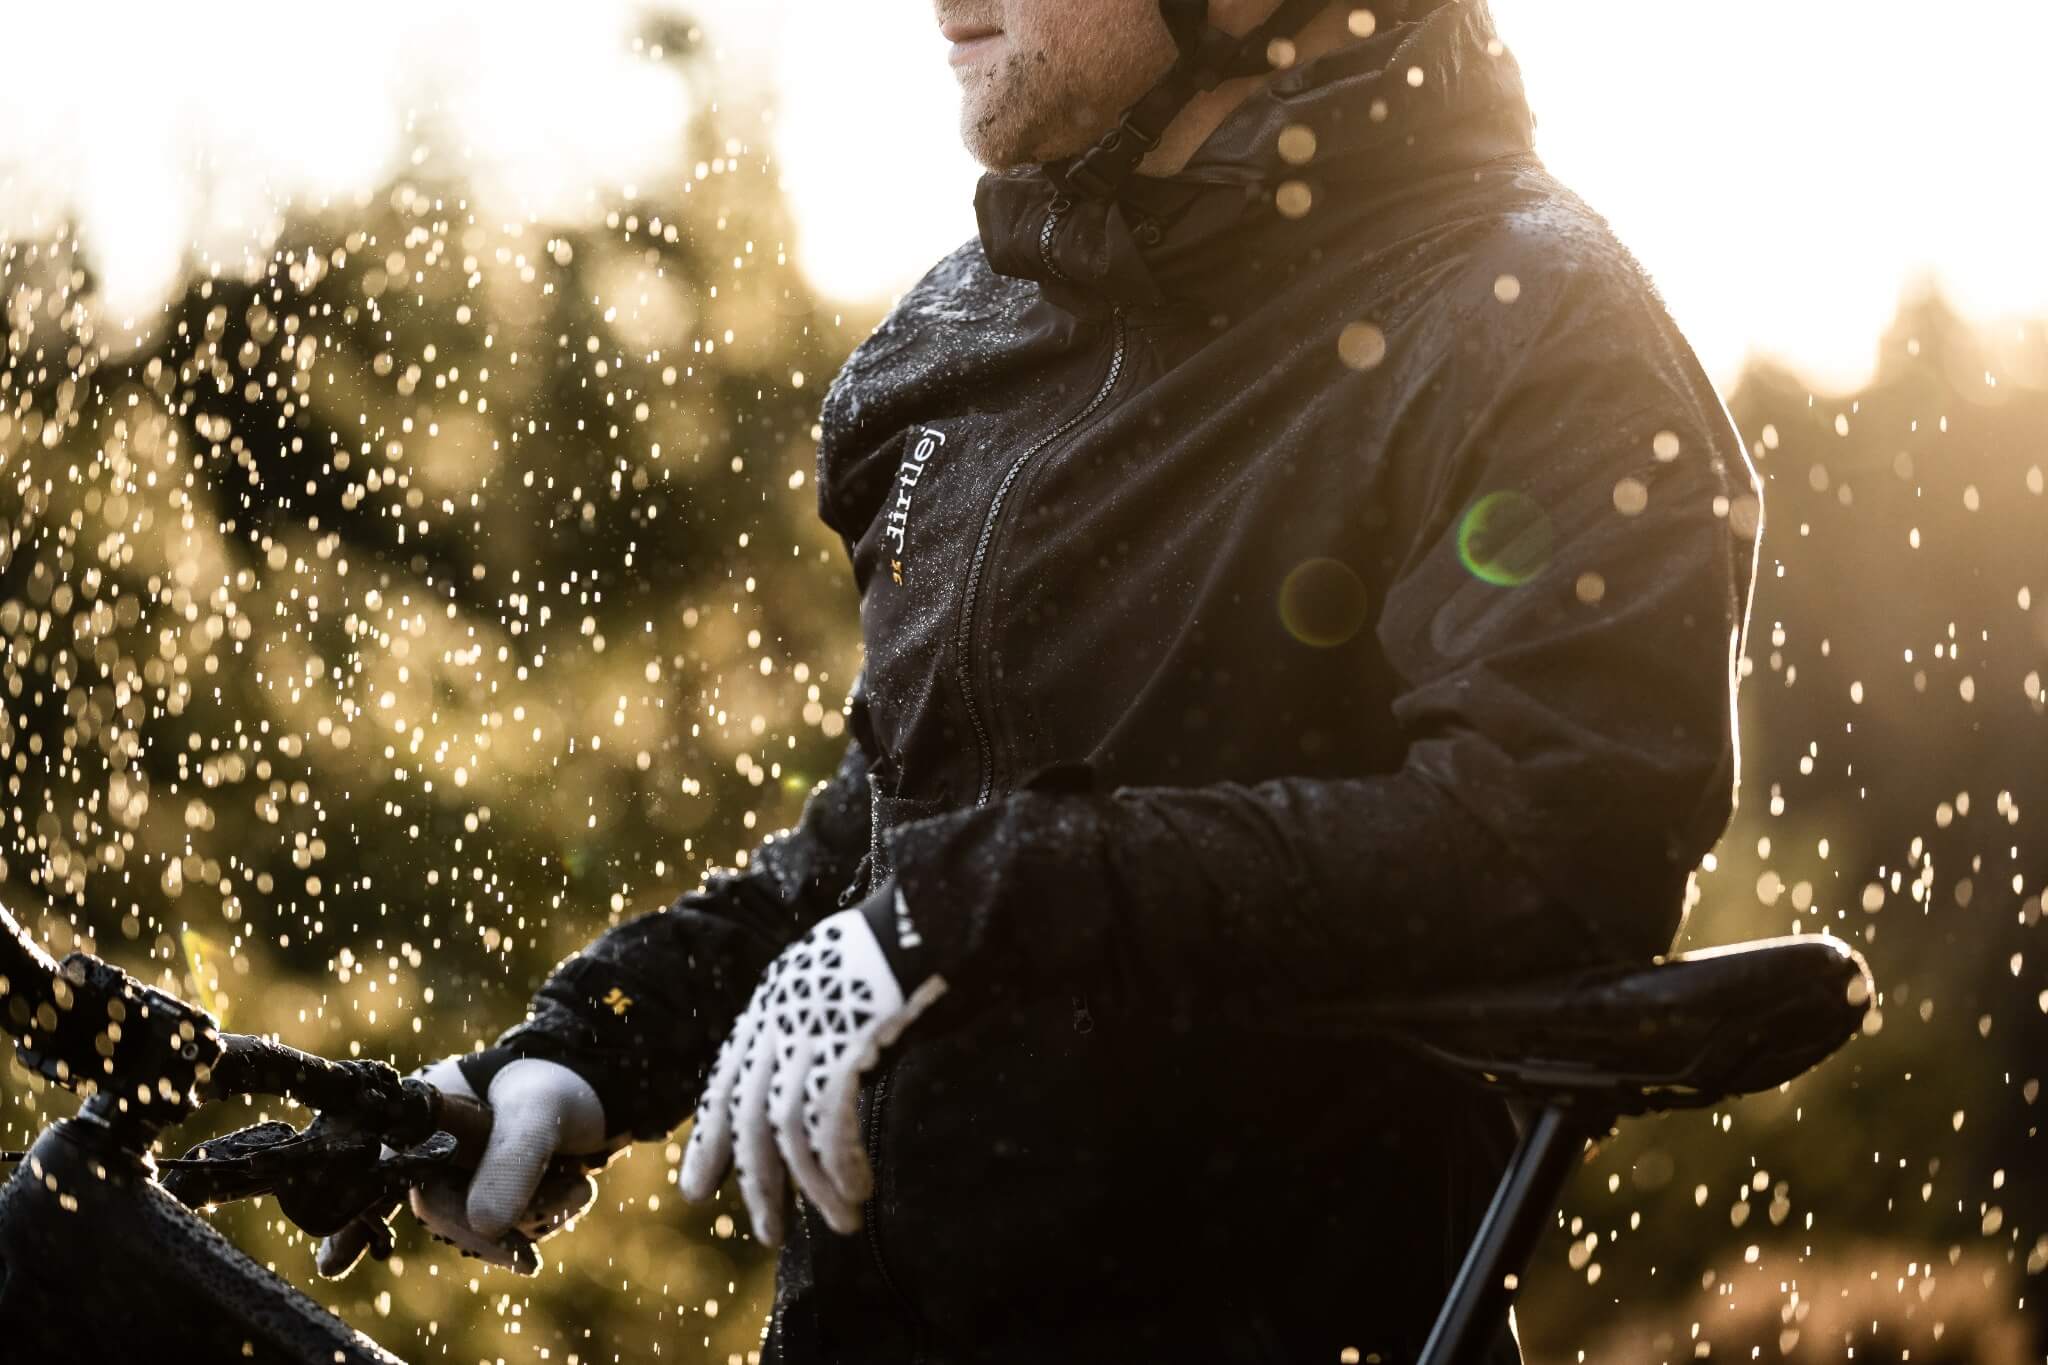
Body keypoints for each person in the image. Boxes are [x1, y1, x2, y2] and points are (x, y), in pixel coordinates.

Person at [324, 1, 1762, 1359]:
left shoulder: (1531, 311)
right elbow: (890, 835)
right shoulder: (957, 336)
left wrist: (987, 903)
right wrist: (584, 1051)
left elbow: (1558, 841)